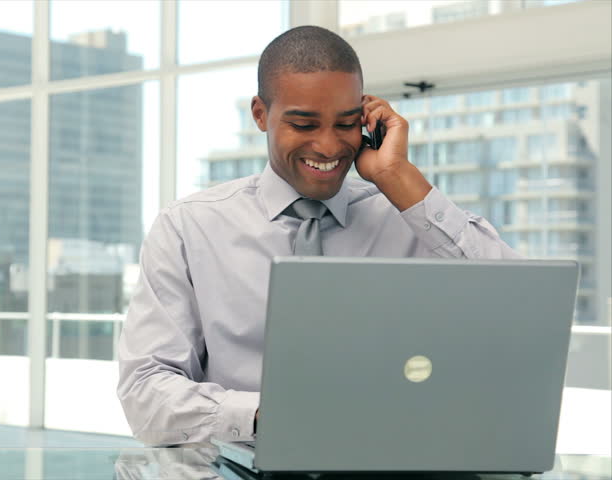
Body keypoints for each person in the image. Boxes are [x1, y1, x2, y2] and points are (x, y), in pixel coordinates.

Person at [117, 26, 521, 447]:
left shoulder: (409, 217)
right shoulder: (188, 227)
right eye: (304, 124)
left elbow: (520, 305)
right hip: (240, 465)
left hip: (395, 462)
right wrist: (268, 416)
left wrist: (398, 177)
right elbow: (144, 391)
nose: (328, 147)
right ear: (260, 114)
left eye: (346, 124)